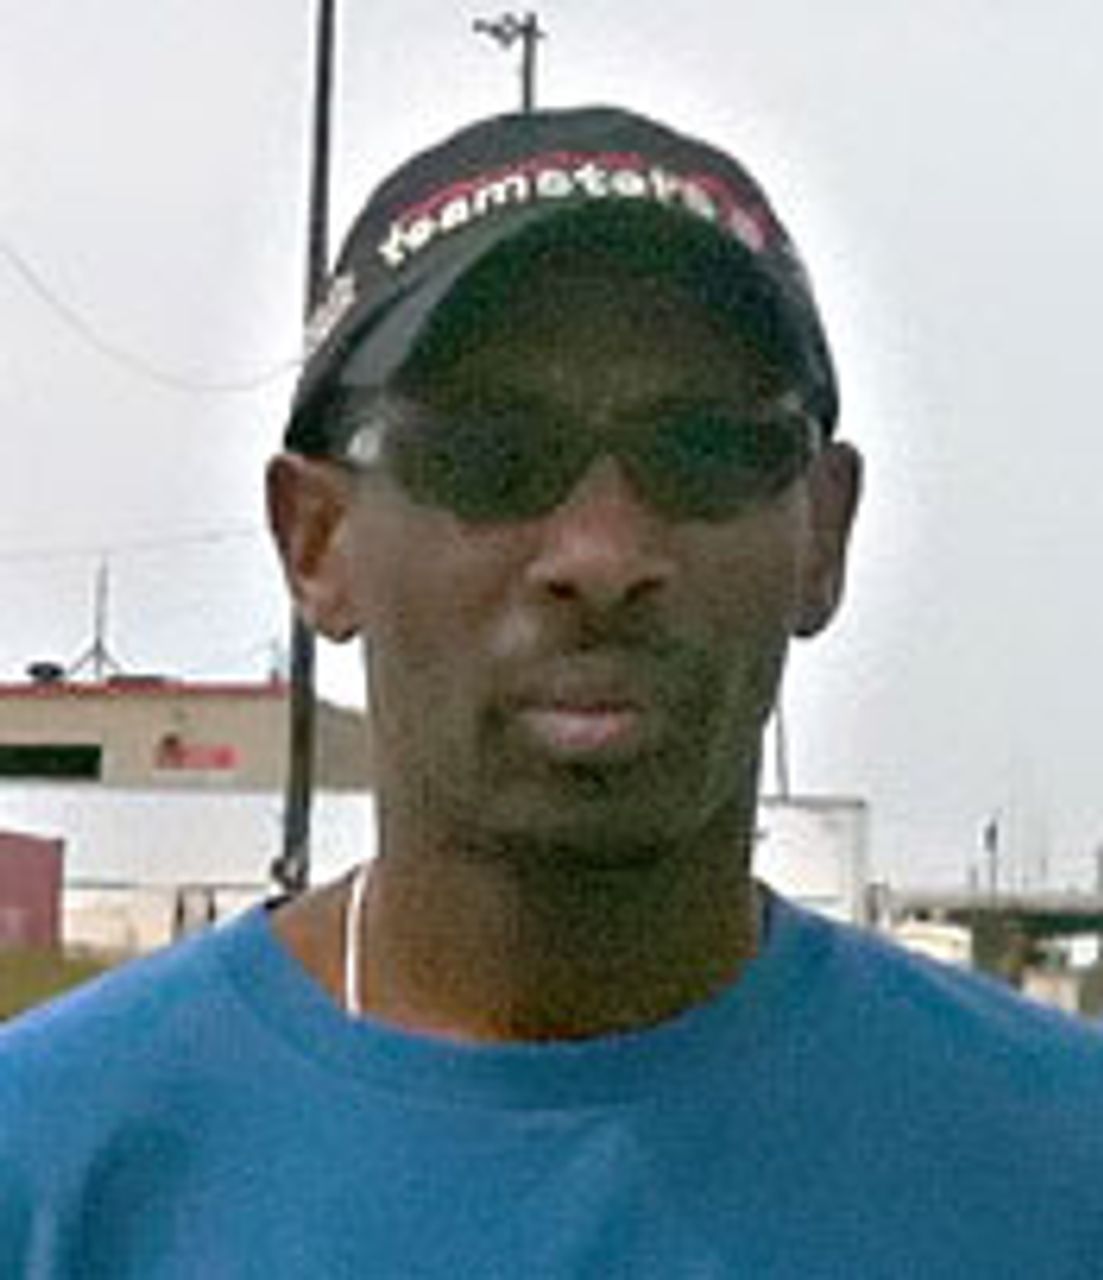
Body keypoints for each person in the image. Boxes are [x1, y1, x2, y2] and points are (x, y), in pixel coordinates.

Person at [2, 105, 1102, 1278]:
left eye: (704, 446)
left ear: (821, 533)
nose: (600, 552)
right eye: (485, 450)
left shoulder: (1057, 1164)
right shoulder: (47, 1168)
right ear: (316, 541)